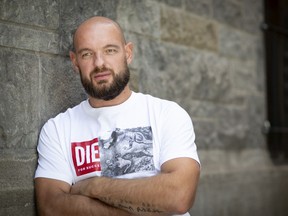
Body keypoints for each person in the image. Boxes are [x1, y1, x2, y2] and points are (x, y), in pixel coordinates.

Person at [34, 16, 200, 216]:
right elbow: (51, 207)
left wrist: (93, 187)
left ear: (128, 53)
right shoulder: (57, 129)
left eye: (110, 50)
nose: (99, 63)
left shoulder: (167, 114)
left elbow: (179, 196)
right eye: (87, 54)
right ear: (75, 61)